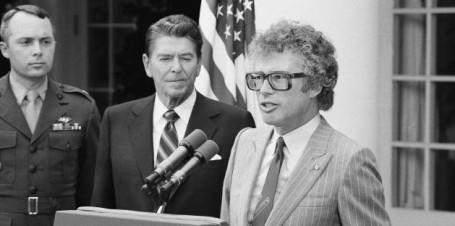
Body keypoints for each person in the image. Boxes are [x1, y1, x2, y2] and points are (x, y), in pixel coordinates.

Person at [221, 20, 391, 225]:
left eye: (278, 77)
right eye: (258, 77)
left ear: (315, 85)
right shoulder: (244, 142)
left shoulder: (349, 159)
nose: (264, 89)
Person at [91, 14, 255, 218]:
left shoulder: (235, 122)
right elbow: (100, 207)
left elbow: (244, 206)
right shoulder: (116, 119)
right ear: (147, 65)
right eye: (165, 58)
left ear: (198, 65)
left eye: (186, 58)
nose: (176, 67)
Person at [0, 5, 100, 226]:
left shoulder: (81, 108)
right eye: (26, 42)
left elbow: (92, 190)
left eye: (45, 41)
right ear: (5, 49)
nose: (38, 50)